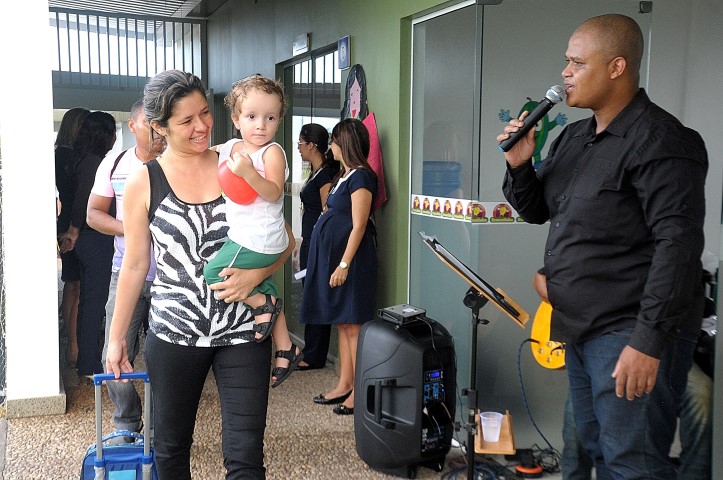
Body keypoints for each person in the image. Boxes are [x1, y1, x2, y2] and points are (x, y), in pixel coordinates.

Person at [499, 14, 708, 479]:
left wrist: (647, 342)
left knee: (633, 462)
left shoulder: (664, 142)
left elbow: (678, 247)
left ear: (616, 68)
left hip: (629, 332)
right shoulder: (575, 137)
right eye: (566, 62)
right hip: (581, 328)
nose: (565, 74)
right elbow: (536, 209)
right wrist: (519, 164)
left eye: (576, 63)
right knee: (593, 448)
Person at [106, 69, 293, 479]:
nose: (202, 126)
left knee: (246, 454)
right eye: (187, 120)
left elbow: (285, 240)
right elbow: (136, 265)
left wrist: (254, 275)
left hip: (243, 330)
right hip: (175, 331)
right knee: (171, 451)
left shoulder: (237, 160)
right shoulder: (144, 181)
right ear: (159, 127)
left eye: (205, 113)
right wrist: (116, 338)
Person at [532, 271, 713, 480]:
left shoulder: (666, 253)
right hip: (600, 346)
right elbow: (542, 278)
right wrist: (568, 306)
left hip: (660, 350)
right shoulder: (592, 251)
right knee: (577, 420)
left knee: (703, 396)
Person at [202, 75, 302, 388]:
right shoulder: (232, 146)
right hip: (248, 236)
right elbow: (207, 154)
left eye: (270, 118)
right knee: (265, 279)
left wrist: (247, 172)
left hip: (257, 238)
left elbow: (273, 192)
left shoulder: (271, 153)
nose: (261, 125)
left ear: (279, 120)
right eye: (251, 117)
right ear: (235, 119)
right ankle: (286, 346)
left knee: (213, 272)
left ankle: (260, 304)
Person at [86, 100, 165, 441]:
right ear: (132, 126)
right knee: (113, 354)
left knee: (168, 357)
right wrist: (129, 228)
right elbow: (93, 214)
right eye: (150, 122)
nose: (158, 128)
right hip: (125, 273)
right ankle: (127, 423)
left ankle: (163, 427)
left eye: (162, 122)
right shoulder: (115, 163)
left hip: (171, 278)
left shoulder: (176, 163)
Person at [301, 118, 377, 415]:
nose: (330, 144)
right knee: (344, 324)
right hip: (336, 258)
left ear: (345, 143)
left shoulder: (362, 178)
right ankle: (344, 383)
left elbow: (359, 225)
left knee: (354, 325)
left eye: (334, 139)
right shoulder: (344, 176)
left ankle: (359, 393)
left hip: (353, 260)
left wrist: (344, 263)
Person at [60, 110, 118, 379]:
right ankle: (90, 365)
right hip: (95, 241)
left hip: (86, 241)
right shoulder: (96, 163)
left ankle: (87, 360)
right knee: (95, 303)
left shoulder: (82, 160)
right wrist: (73, 231)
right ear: (105, 135)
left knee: (88, 302)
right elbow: (84, 202)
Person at [296, 123, 340, 370]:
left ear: (312, 145)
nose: (299, 149)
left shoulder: (325, 175)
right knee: (309, 294)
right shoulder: (315, 172)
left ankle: (315, 355)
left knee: (316, 296)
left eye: (301, 144)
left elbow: (327, 211)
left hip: (318, 243)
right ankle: (310, 349)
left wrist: (318, 244)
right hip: (308, 240)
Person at [55, 107, 90, 366]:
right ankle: (75, 346)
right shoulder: (70, 157)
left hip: (67, 222)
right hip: (73, 225)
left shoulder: (61, 155)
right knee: (77, 286)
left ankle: (71, 341)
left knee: (72, 284)